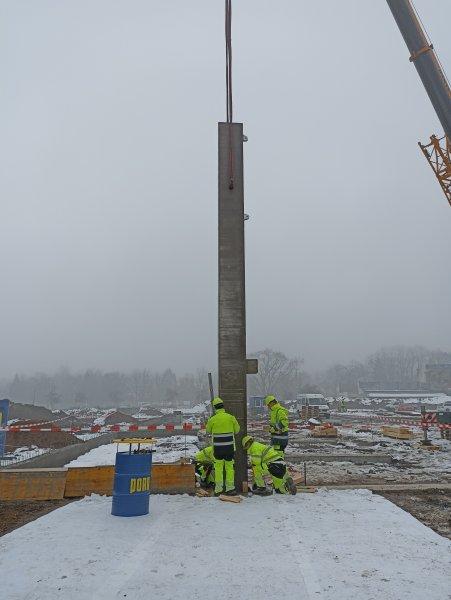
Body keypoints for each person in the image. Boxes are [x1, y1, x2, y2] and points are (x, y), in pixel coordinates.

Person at [206, 396, 240, 496]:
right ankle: (230, 488)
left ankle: (218, 489)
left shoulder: (212, 419)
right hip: (229, 448)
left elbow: (208, 431)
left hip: (217, 449)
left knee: (218, 468)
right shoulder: (231, 417)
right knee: (229, 468)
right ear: (223, 406)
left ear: (215, 408)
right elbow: (237, 430)